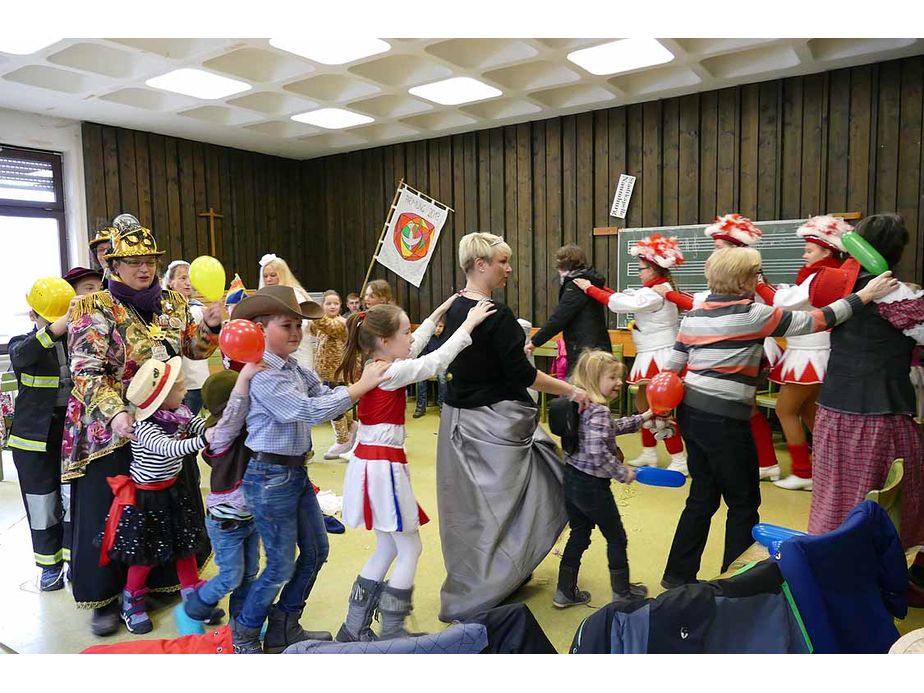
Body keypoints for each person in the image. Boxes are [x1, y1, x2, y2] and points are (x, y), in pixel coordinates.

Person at [659, 247, 897, 589]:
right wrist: (866, 294)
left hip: (692, 414)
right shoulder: (754, 314)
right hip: (724, 420)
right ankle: (735, 584)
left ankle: (677, 575)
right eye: (756, 275)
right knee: (743, 503)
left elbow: (672, 366)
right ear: (742, 280)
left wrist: (661, 409)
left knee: (703, 496)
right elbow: (818, 320)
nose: (759, 280)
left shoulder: (694, 315)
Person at [63, 214, 221, 636]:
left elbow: (195, 348)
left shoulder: (171, 301)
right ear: (112, 265)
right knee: (116, 511)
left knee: (172, 504)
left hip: (164, 418)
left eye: (149, 259)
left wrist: (210, 323)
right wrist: (117, 413)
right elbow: (86, 370)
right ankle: (110, 595)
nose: (144, 267)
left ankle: (168, 580)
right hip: (109, 426)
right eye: (133, 260)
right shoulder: (91, 307)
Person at [436, 232, 591, 622]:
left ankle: (501, 573)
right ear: (481, 264)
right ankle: (496, 578)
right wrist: (572, 389)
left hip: (458, 424)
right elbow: (526, 376)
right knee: (533, 493)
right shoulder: (495, 315)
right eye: (503, 262)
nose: (509, 269)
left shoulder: (453, 307)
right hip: (493, 425)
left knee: (475, 511)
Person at [227, 285, 391, 654]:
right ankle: (245, 634)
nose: (297, 333)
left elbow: (321, 394)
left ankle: (285, 625)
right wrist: (361, 388)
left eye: (299, 326)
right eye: (288, 326)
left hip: (293, 474)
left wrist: (356, 384)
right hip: (269, 478)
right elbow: (306, 411)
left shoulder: (293, 367)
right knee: (280, 565)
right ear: (259, 329)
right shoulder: (264, 374)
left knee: (315, 551)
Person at [335, 296, 494, 641]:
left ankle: (353, 626)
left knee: (388, 547)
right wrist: (468, 324)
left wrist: (437, 311)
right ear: (385, 341)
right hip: (382, 468)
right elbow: (434, 361)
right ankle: (392, 629)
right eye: (405, 332)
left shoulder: (376, 362)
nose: (412, 337)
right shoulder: (390, 371)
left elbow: (416, 347)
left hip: (370, 464)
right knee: (410, 548)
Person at [806, 214, 924, 557]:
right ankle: (880, 572)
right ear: (898, 251)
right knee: (888, 503)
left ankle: (828, 565)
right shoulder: (903, 297)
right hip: (881, 416)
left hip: (833, 412)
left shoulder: (835, 286)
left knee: (835, 497)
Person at [655, 214, 782, 480]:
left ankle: (764, 462)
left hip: (741, 348)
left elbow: (705, 307)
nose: (713, 253)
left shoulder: (747, 284)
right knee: (744, 408)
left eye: (718, 248)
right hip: (724, 345)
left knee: (745, 407)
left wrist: (667, 293)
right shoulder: (736, 280)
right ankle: (765, 462)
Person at [101, 357, 221, 634]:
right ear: (162, 397)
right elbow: (168, 449)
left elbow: (196, 425)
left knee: (186, 547)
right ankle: (132, 599)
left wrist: (211, 430)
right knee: (146, 555)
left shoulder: (178, 412)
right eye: (179, 388)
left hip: (173, 491)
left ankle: (193, 598)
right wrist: (206, 440)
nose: (184, 391)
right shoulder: (145, 428)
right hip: (147, 499)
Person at [575, 234, 688, 475]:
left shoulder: (655, 293)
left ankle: (679, 458)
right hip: (650, 351)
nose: (639, 273)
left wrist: (590, 289)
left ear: (654, 268)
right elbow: (624, 297)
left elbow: (618, 303)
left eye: (642, 268)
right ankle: (649, 451)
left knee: (660, 410)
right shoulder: (652, 290)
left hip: (660, 354)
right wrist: (599, 286)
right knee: (643, 404)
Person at [754, 216, 850, 491]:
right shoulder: (824, 273)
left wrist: (760, 283)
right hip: (812, 349)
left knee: (785, 409)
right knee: (811, 412)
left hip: (810, 351)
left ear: (826, 250)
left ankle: (803, 470)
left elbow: (785, 301)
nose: (804, 254)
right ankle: (829, 469)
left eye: (809, 249)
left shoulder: (821, 275)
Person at [553, 349, 654, 609]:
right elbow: (599, 454)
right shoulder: (597, 411)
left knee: (579, 533)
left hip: (572, 480)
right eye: (612, 378)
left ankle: (564, 591)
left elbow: (611, 428)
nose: (619, 382)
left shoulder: (582, 406)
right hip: (593, 487)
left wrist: (641, 419)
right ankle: (622, 594)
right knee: (616, 537)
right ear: (594, 380)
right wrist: (623, 473)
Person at [8, 276, 83, 591]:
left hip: (73, 436)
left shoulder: (80, 341)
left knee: (74, 500)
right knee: (43, 505)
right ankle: (49, 567)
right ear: (33, 316)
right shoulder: (21, 343)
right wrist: (52, 330)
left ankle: (75, 562)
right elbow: (23, 356)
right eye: (48, 318)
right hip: (33, 441)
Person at [182, 364, 265, 629]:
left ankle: (240, 625)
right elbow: (232, 418)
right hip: (226, 522)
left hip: (250, 518)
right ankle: (194, 606)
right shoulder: (222, 434)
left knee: (249, 573)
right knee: (231, 576)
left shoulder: (247, 427)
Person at [525, 244, 611, 375]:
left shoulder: (576, 285)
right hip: (597, 345)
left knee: (581, 388)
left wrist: (534, 342)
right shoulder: (589, 280)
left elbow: (560, 317)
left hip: (584, 350)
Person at [309, 290, 357, 459]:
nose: (332, 306)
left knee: (334, 406)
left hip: (338, 373)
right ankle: (351, 427)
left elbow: (325, 326)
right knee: (337, 405)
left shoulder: (340, 323)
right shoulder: (323, 324)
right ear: (323, 305)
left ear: (340, 306)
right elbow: (313, 329)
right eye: (328, 303)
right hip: (325, 373)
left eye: (335, 303)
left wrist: (311, 309)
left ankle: (343, 439)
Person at [163, 260, 210, 415]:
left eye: (191, 279)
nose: (188, 283)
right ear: (170, 282)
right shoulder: (163, 309)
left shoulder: (197, 308)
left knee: (188, 423)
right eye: (183, 278)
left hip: (194, 380)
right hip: (171, 379)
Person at [259, 253, 315, 372]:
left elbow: (304, 322)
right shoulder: (264, 297)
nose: (268, 279)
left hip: (297, 350)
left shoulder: (295, 294)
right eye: (265, 276)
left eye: (273, 275)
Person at [412, 317, 448, 418]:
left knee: (442, 378)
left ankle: (442, 406)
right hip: (429, 363)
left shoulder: (446, 338)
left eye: (440, 326)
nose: (437, 329)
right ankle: (420, 407)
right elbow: (423, 353)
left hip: (441, 364)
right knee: (420, 378)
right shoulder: (428, 338)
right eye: (436, 326)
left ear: (444, 327)